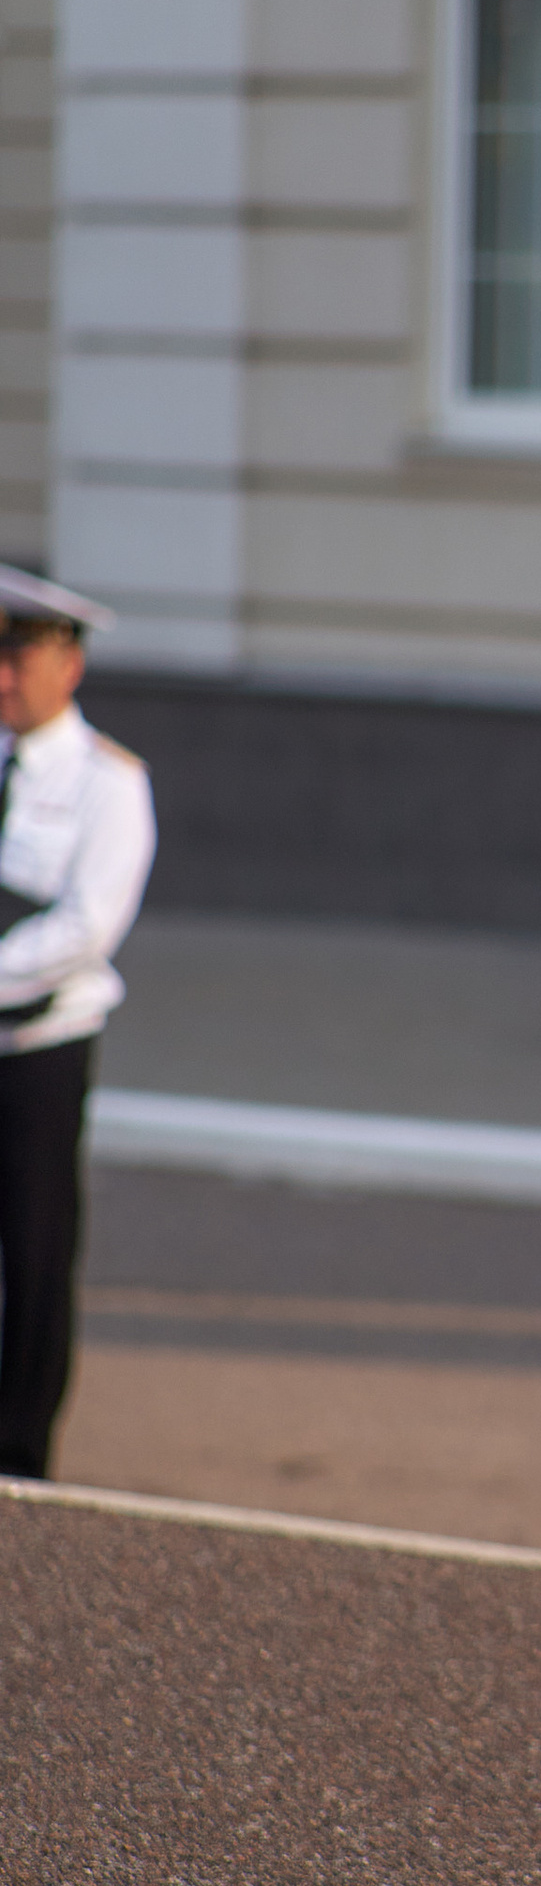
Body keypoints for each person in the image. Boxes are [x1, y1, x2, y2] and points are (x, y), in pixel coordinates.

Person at [0, 566, 155, 1484]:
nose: (4, 680)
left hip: (40, 1051)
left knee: (36, 1247)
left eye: (19, 658)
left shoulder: (108, 784)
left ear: (70, 663)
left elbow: (87, 927)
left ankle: (18, 1455)